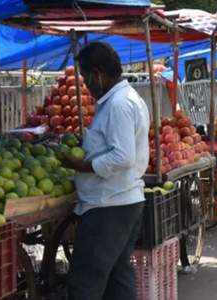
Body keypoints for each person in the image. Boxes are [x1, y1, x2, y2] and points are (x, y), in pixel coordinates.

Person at [65, 42, 150, 300]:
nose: (85, 83)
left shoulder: (119, 104)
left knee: (86, 281)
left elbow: (123, 157)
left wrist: (81, 164)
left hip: (109, 206)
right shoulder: (123, 99)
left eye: (85, 76)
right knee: (118, 276)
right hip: (123, 202)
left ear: (98, 73)